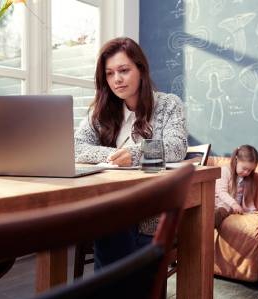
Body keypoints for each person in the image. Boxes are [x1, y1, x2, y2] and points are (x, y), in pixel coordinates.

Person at [74, 37, 188, 269]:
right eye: (109, 73)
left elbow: (177, 147)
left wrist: (133, 155)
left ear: (141, 69)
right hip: (110, 206)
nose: (117, 79)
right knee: (110, 231)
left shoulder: (169, 104)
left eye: (124, 70)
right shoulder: (101, 110)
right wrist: (113, 155)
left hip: (151, 211)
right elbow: (76, 146)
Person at [214, 145, 258, 228]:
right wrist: (234, 204)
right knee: (219, 213)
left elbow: (248, 200)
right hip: (220, 206)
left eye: (250, 170)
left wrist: (254, 212)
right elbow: (221, 192)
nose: (246, 172)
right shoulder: (225, 171)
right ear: (236, 159)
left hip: (234, 210)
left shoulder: (247, 179)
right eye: (244, 168)